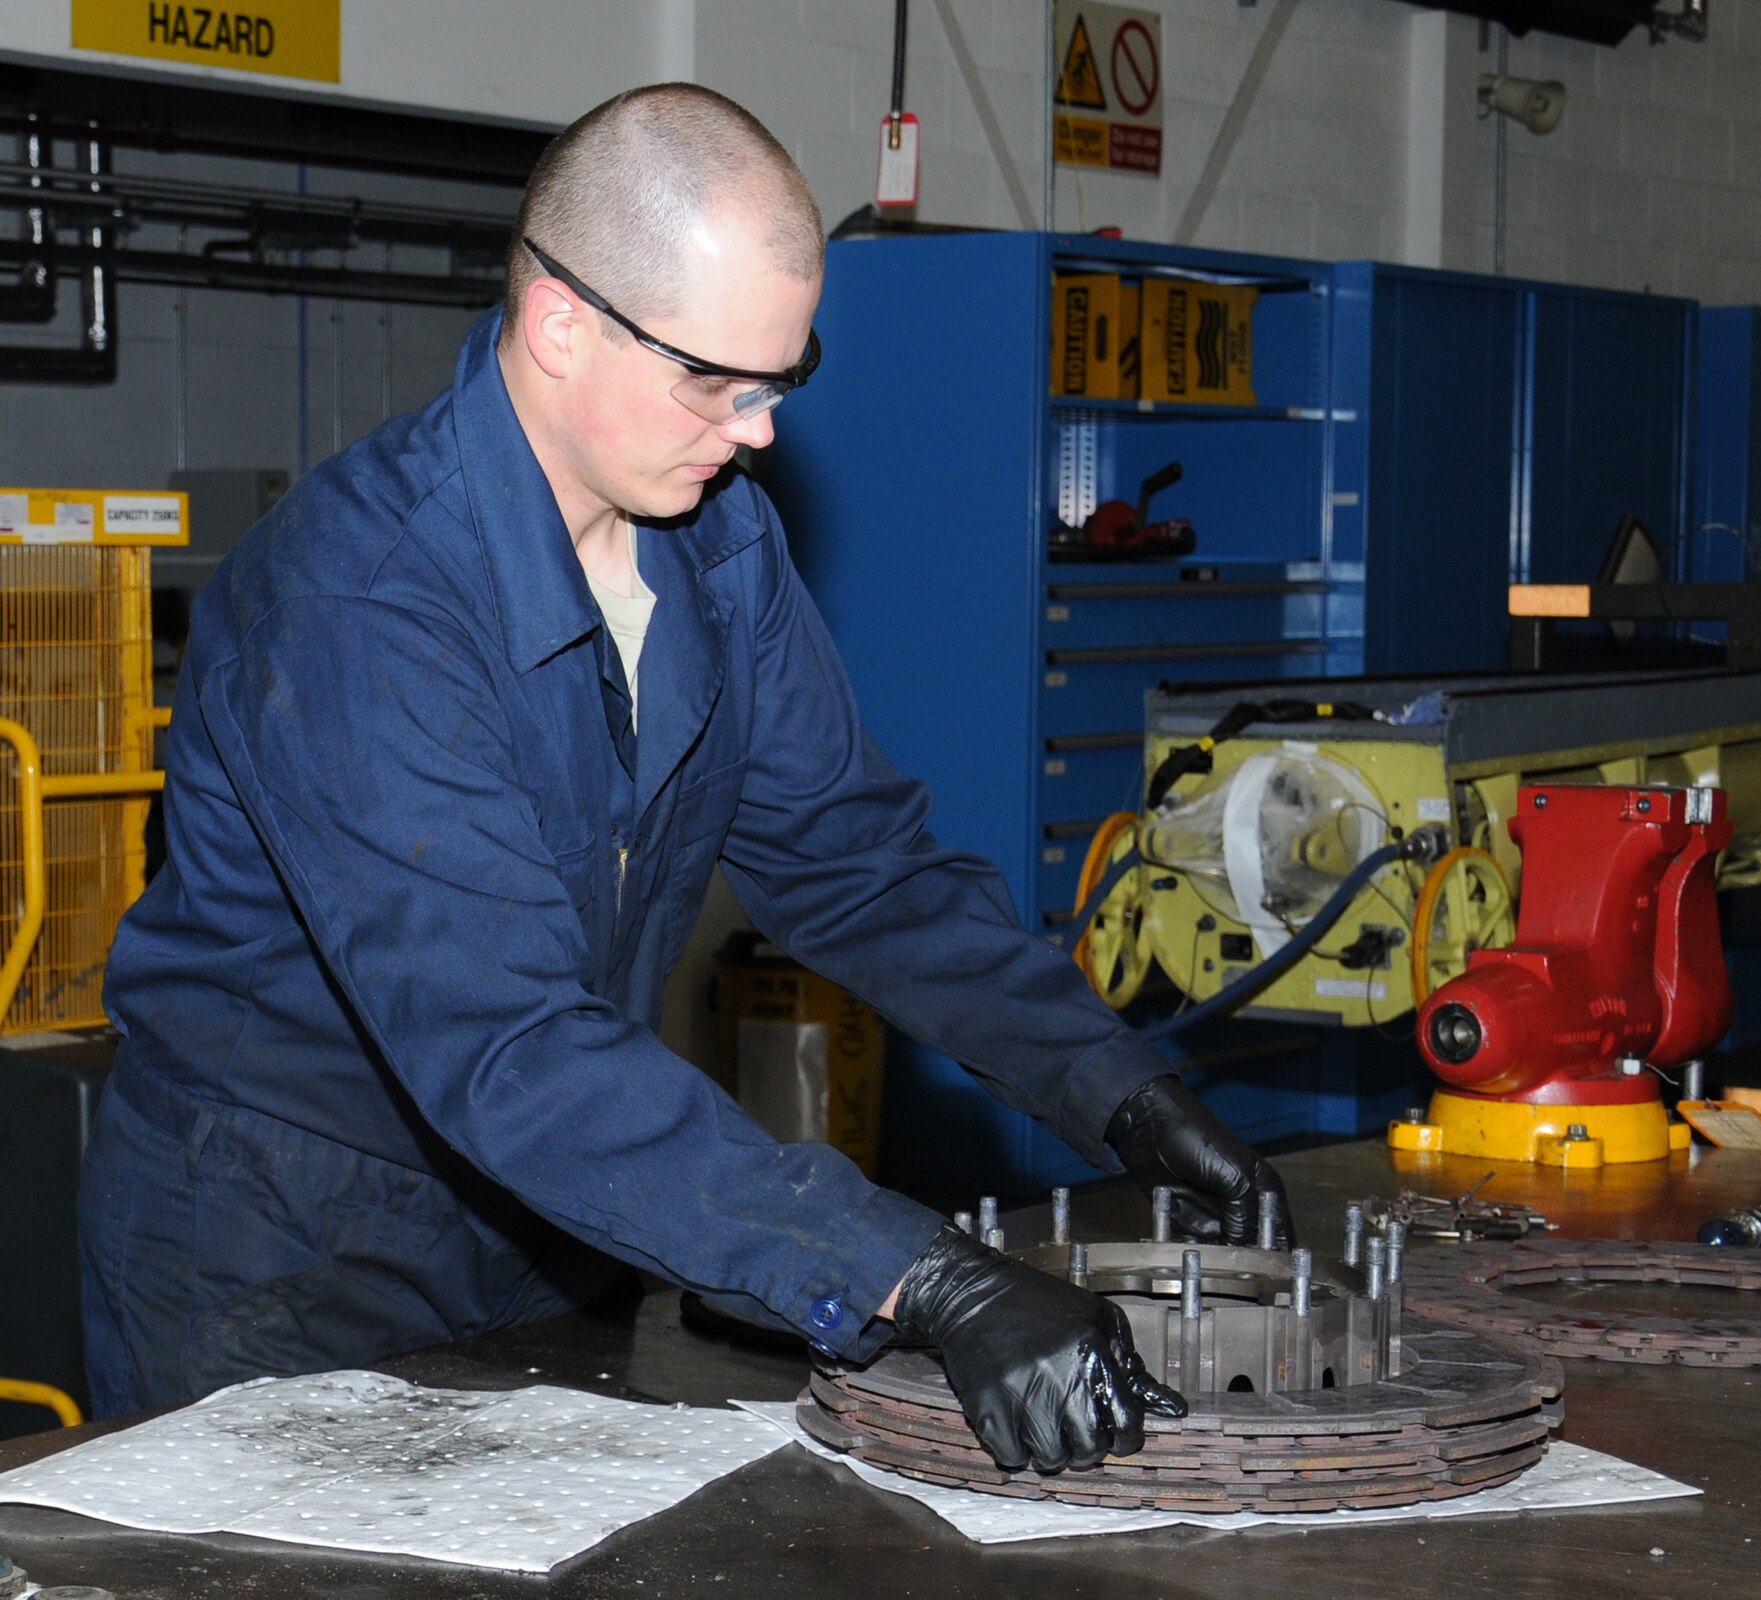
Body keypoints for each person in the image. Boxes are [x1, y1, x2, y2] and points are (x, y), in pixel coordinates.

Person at [79, 84, 1290, 1474]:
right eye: (716, 381)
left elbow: (857, 861)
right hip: (277, 1248)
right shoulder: (361, 598)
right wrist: (920, 1275)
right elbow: (507, 1044)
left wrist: (1118, 1091)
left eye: (782, 379)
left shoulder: (714, 549)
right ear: (561, 325)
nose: (759, 428)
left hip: (556, 1211)